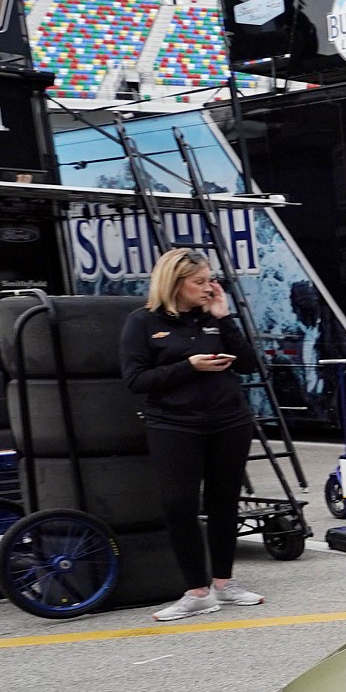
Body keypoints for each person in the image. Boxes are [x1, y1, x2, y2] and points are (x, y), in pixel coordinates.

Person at [122, 249, 263, 622]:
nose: (208, 287)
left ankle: (224, 583)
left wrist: (224, 317)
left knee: (224, 502)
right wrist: (189, 367)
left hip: (228, 420)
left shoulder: (213, 318)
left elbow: (249, 364)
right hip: (173, 425)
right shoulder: (142, 323)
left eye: (210, 279)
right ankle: (196, 591)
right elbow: (136, 380)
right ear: (174, 283)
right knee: (178, 504)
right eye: (199, 282)